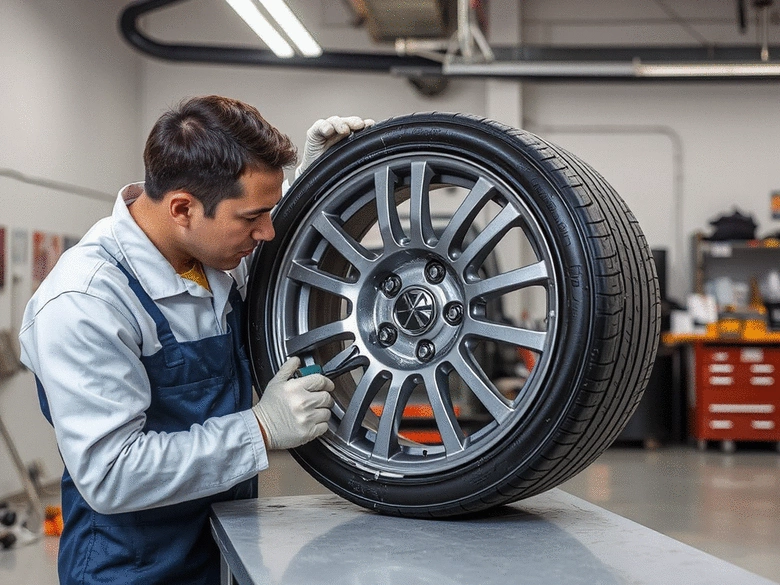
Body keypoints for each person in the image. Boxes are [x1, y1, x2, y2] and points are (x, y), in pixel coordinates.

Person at [18, 95, 374, 584]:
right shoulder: (85, 302)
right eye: (252, 218)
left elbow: (269, 242)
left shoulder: (212, 252)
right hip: (129, 569)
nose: (267, 232)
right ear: (183, 207)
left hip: (222, 546)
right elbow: (111, 474)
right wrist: (262, 429)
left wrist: (314, 180)